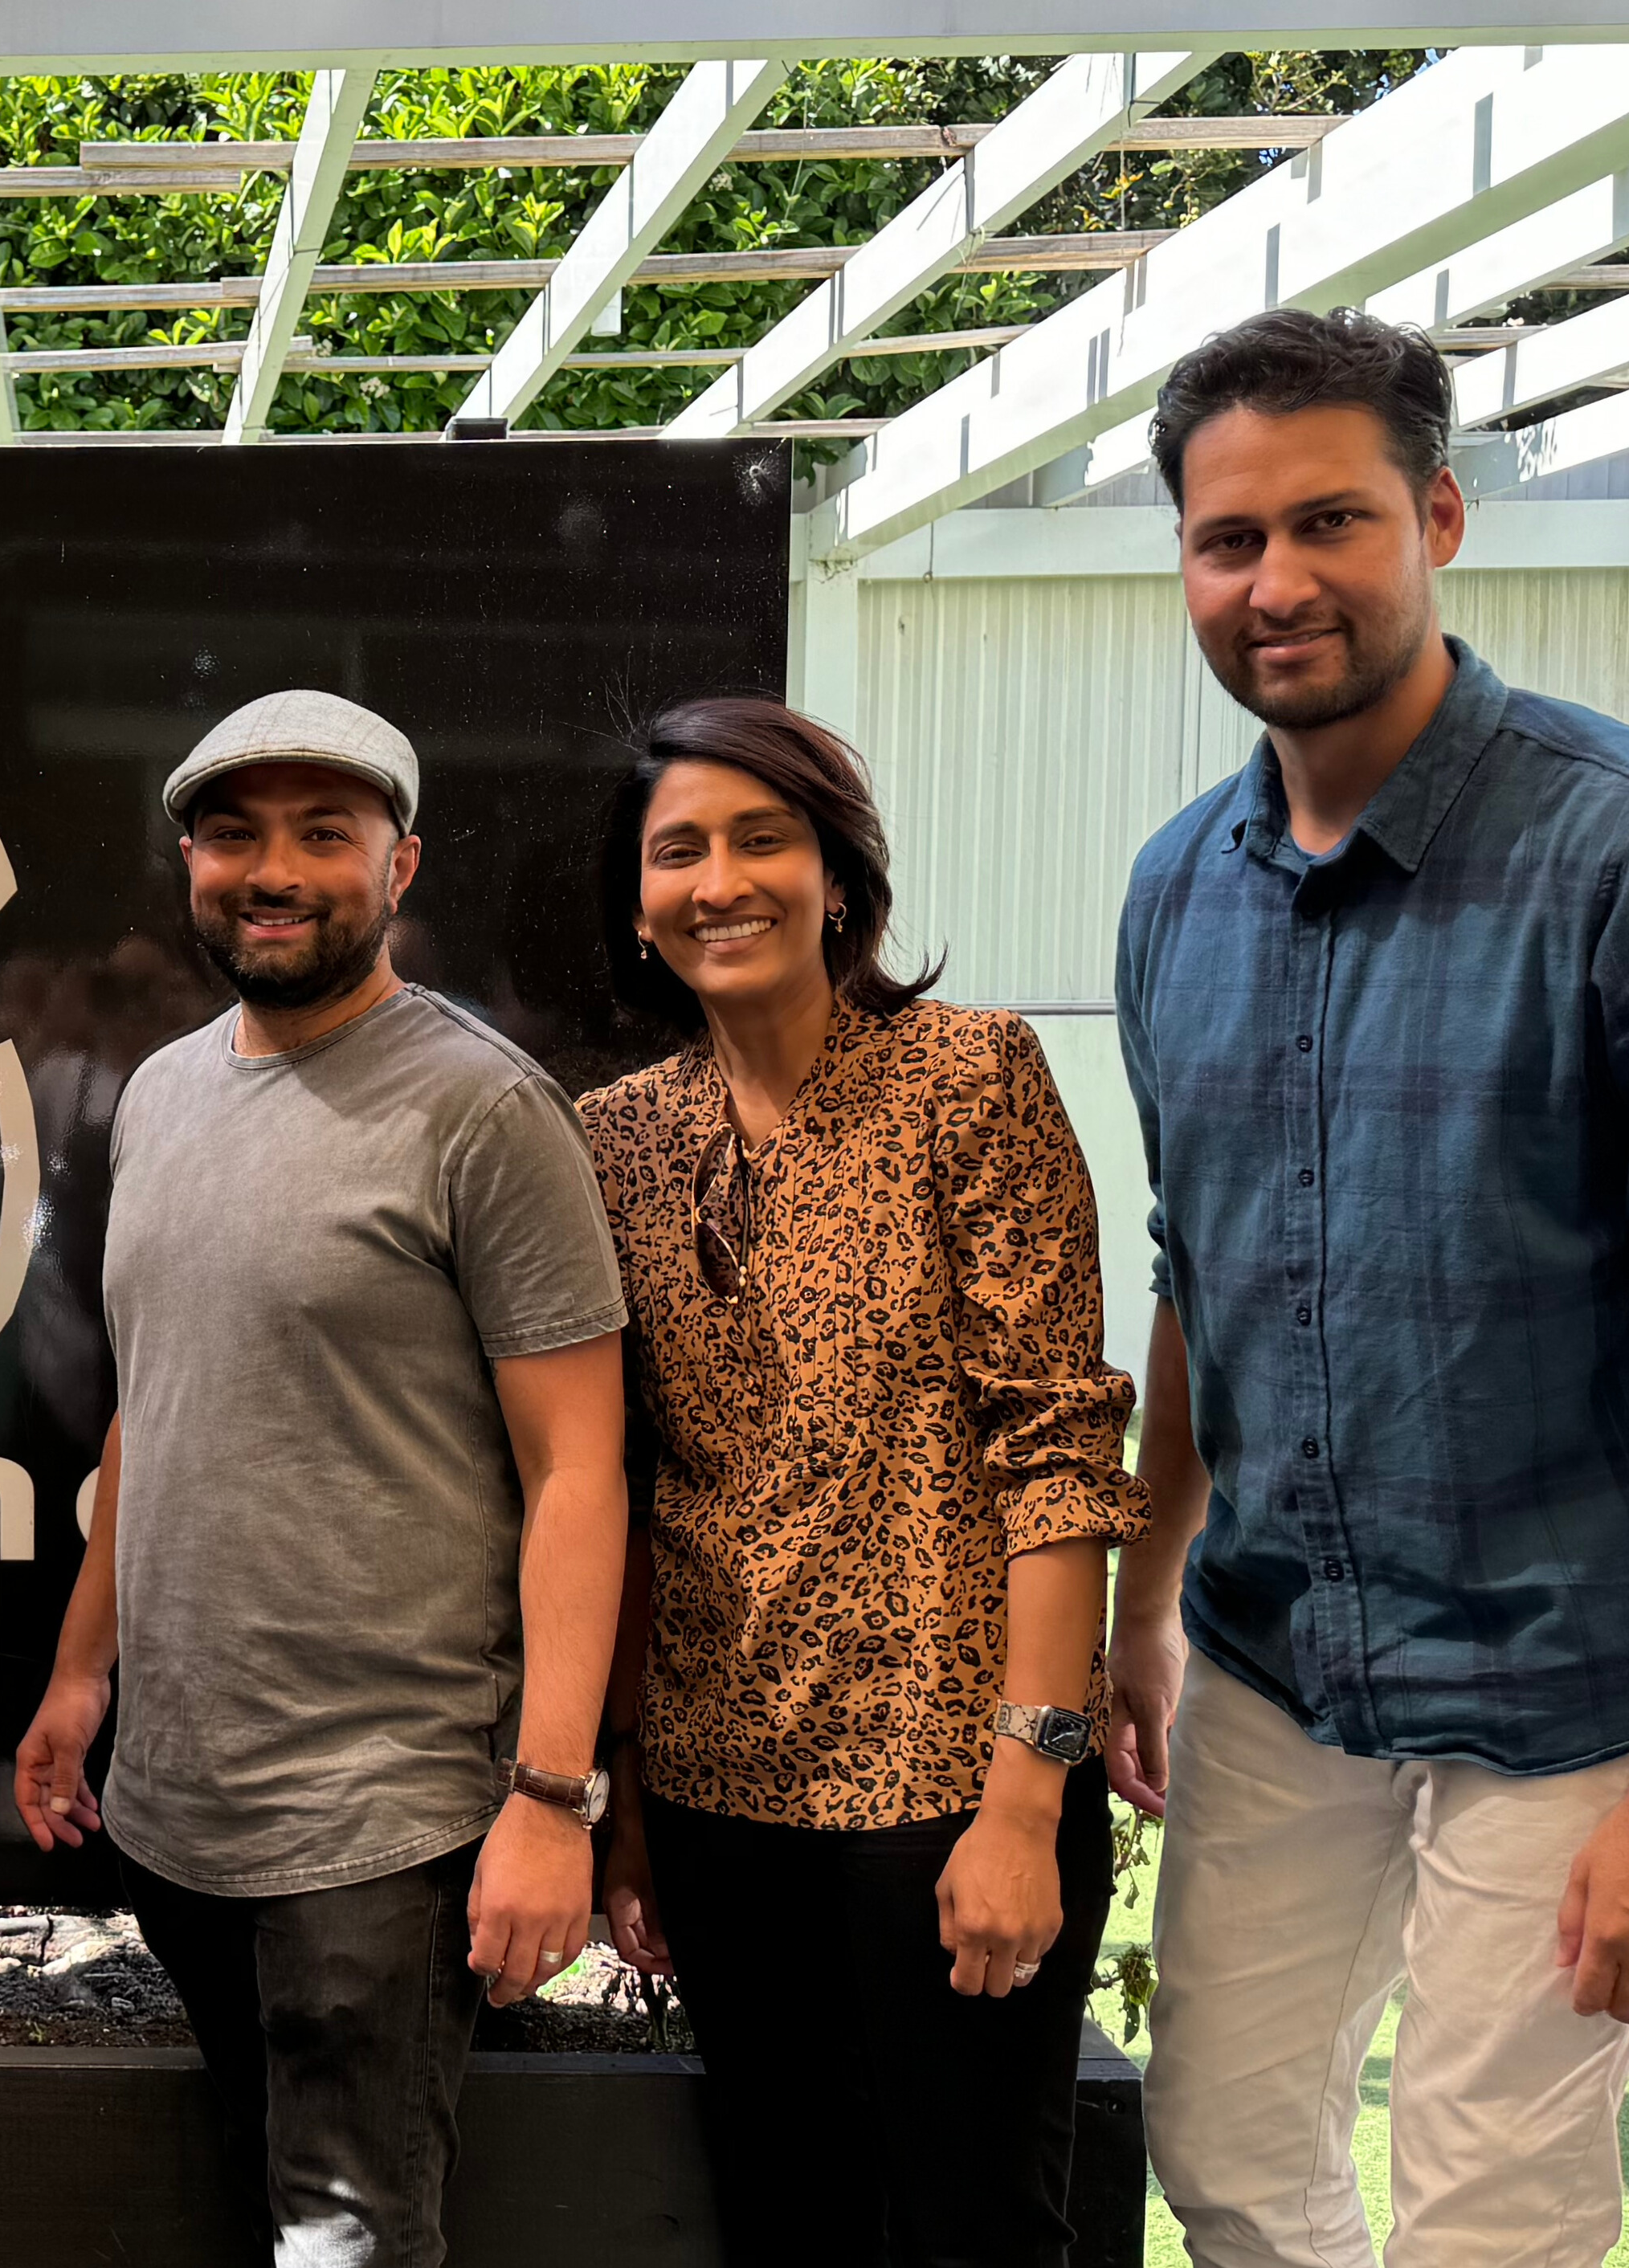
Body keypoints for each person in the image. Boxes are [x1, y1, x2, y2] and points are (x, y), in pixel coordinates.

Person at [1110, 307, 1629, 2265]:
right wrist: (1143, 1602)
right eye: (1230, 540)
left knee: (1488, 2211)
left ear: (1441, 514)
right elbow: (1199, 1271)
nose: (1277, 581)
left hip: (1576, 1687)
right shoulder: (1174, 885)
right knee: (1217, 2149)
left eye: (1332, 522)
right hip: (1280, 1658)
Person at [11, 689, 630, 2267]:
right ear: (189, 862)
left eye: (322, 833)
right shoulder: (160, 1095)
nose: (271, 868)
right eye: (234, 833)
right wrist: (84, 1672)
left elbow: (579, 1469)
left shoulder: (485, 1109)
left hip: (385, 1819)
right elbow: (148, 1414)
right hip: (179, 1804)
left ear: (401, 861)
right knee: (276, 2204)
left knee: (348, 2237)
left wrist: (554, 1799)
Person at [578, 695, 1146, 2268]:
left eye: (765, 836)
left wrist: (1029, 1791)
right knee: (790, 2223)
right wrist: (626, 1808)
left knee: (976, 2229)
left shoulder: (970, 1076)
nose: (722, 878)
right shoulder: (614, 1139)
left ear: (840, 874)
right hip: (717, 1793)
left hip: (951, 1784)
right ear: (638, 904)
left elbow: (1057, 1443)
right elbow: (623, 1481)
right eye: (678, 848)